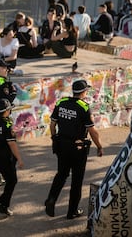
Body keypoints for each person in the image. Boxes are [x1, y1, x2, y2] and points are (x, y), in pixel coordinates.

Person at [44, 79, 103, 219]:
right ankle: (72, 211)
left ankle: (51, 199)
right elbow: (93, 131)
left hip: (62, 145)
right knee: (77, 180)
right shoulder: (83, 107)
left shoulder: (61, 102)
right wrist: (100, 146)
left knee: (61, 174)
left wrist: (54, 139)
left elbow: (52, 125)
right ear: (83, 92)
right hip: (78, 148)